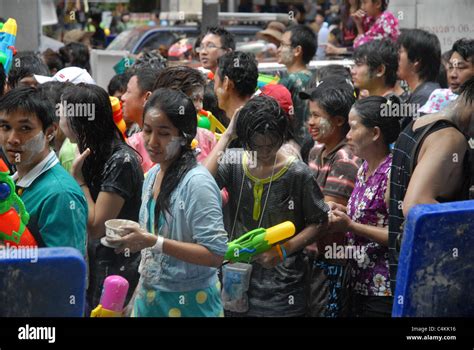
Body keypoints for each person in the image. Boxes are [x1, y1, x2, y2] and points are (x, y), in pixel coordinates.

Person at [204, 95, 329, 317]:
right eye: (256, 146)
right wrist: (227, 135)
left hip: (282, 289)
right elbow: (202, 184)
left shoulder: (296, 173)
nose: (263, 153)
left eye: (270, 146)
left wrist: (283, 250)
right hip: (235, 283)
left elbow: (319, 221)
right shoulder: (234, 161)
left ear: (281, 138)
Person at [109, 88, 228, 317]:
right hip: (149, 301)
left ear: (184, 136)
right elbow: (151, 253)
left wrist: (155, 241)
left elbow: (215, 254)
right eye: (147, 130)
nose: (152, 142)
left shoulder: (197, 183)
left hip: (191, 305)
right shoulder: (153, 175)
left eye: (164, 133)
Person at [59, 83, 144, 311]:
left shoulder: (121, 162)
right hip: (98, 261)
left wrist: (79, 180)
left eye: (63, 113)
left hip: (117, 268)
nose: (60, 120)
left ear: (79, 122)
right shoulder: (93, 152)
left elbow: (97, 226)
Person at [388, 77, 474, 295]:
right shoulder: (450, 138)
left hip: (404, 269)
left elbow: (389, 195)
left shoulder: (417, 124)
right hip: (430, 276)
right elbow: (415, 205)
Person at [328, 95, 402, 317]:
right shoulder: (363, 168)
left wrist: (351, 225)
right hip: (357, 283)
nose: (347, 136)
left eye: (353, 128)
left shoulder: (392, 174)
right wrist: (344, 213)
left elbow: (399, 235)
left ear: (375, 133)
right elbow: (366, 216)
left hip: (382, 289)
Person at [301, 78, 362, 317]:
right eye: (309, 115)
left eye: (317, 116)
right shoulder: (316, 151)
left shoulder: (345, 158)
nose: (310, 122)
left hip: (330, 261)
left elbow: (326, 213)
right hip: (312, 257)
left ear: (338, 121)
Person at [0, 87, 87, 254]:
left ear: (49, 132)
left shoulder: (60, 195)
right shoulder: (13, 181)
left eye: (25, 128)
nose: (12, 139)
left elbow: (66, 272)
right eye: (5, 127)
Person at [277, 24, 317, 145]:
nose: (278, 49)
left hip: (292, 149)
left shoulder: (289, 81)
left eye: (283, 44)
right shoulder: (313, 77)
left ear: (297, 51)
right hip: (311, 147)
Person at [397, 29, 441, 127]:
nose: (396, 58)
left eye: (400, 52)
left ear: (416, 60)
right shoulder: (423, 93)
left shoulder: (425, 98)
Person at [326, 0, 399, 55]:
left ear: (378, 4)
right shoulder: (369, 19)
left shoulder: (386, 19)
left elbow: (362, 47)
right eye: (362, 3)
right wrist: (359, 24)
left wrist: (338, 50)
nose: (362, 7)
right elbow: (359, 44)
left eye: (365, 3)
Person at [214, 51, 258, 123]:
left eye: (215, 81)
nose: (214, 89)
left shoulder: (242, 128)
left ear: (226, 83)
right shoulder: (261, 118)